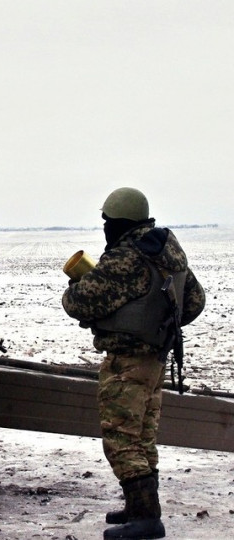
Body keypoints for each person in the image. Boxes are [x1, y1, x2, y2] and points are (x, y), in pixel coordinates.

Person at [62, 187, 204, 540]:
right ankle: (139, 505)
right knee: (143, 435)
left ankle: (146, 519)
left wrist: (76, 283)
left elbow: (78, 303)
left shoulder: (125, 257)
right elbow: (195, 301)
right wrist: (156, 324)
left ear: (119, 222)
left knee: (120, 437)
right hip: (156, 357)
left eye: (108, 222)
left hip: (127, 360)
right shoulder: (168, 248)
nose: (106, 228)